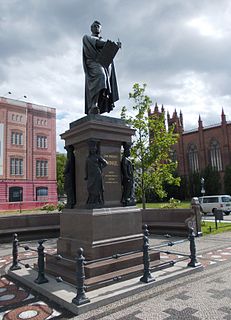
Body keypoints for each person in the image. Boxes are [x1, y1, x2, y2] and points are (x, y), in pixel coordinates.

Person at [82, 21, 121, 115]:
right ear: (91, 28)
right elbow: (98, 43)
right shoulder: (87, 37)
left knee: (105, 83)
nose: (96, 28)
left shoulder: (103, 40)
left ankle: (98, 106)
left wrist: (114, 48)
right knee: (101, 76)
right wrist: (112, 44)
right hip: (93, 63)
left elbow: (108, 53)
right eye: (94, 26)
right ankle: (93, 104)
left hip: (104, 64)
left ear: (100, 29)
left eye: (98, 26)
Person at [85, 141, 108, 207]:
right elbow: (86, 168)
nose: (92, 150)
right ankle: (92, 200)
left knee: (96, 188)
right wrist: (86, 175)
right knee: (90, 187)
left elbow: (106, 163)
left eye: (94, 149)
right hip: (90, 175)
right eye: (91, 149)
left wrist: (100, 168)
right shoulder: (88, 158)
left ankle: (96, 201)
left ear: (96, 150)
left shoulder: (98, 157)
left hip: (97, 174)